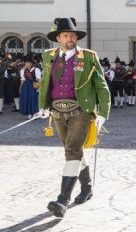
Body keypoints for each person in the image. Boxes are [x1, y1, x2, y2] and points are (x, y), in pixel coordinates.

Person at [37, 17, 110, 218]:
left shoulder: (87, 57)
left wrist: (103, 112)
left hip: (81, 111)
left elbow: (101, 85)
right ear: (58, 38)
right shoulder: (48, 56)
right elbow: (45, 82)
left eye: (73, 35)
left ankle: (62, 199)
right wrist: (43, 106)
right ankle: (86, 188)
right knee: (74, 151)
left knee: (71, 151)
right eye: (66, 35)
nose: (70, 38)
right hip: (57, 112)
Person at [19, 53, 41, 118]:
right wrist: (20, 88)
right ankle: (29, 113)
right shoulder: (23, 70)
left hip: (33, 85)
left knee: (33, 99)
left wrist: (39, 87)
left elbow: (39, 79)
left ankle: (34, 112)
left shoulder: (36, 69)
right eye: (25, 63)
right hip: (25, 86)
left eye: (28, 63)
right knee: (26, 99)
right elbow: (22, 80)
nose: (26, 64)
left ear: (31, 63)